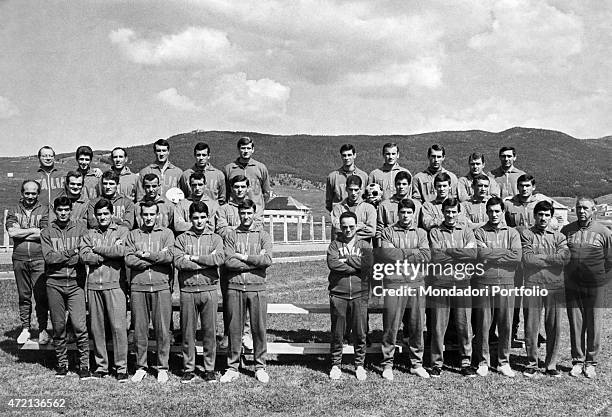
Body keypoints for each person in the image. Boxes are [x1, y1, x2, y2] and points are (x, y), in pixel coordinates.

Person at [219, 200, 273, 384]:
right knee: (235, 328)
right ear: (239, 214)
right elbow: (228, 262)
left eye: (249, 213)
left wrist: (243, 257)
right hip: (235, 287)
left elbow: (267, 260)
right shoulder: (231, 235)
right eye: (243, 213)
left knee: (258, 328)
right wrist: (253, 262)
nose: (246, 216)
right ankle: (232, 366)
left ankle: (260, 366)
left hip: (257, 287)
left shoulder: (263, 235)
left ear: (254, 213)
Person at [377, 199, 430, 380]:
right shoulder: (387, 232)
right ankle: (387, 364)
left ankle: (416, 363)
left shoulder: (421, 233)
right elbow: (387, 254)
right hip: (394, 283)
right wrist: (412, 252)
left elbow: (426, 256)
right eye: (403, 212)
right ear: (397, 213)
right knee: (391, 325)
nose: (406, 216)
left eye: (409, 212)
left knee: (416, 325)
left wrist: (401, 253)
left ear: (413, 214)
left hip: (416, 284)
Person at [173, 201, 224, 384]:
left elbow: (218, 258)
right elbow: (178, 261)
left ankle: (209, 368)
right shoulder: (181, 239)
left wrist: (194, 258)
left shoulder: (215, 238)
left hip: (209, 290)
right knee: (188, 332)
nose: (199, 221)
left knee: (210, 331)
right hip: (187, 290)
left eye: (203, 217)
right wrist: (205, 261)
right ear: (190, 218)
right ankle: (189, 367)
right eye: (195, 217)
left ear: (208, 218)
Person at [40, 196, 91, 379]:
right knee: (59, 326)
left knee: (79, 326)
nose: (63, 213)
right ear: (55, 210)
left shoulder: (81, 228)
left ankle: (84, 364)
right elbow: (49, 258)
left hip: (76, 284)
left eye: (66, 210)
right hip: (54, 283)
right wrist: (71, 252)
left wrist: (64, 255)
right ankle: (62, 363)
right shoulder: (47, 232)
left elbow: (83, 256)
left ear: (71, 210)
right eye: (60, 210)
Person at [562, 196, 612, 379]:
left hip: (595, 286)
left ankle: (590, 362)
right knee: (576, 324)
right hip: (573, 285)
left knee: (594, 323)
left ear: (593, 210)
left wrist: (600, 279)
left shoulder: (604, 232)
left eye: (585, 208)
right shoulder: (566, 230)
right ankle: (577, 360)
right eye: (578, 208)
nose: (581, 211)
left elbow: (610, 261)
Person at [125, 200, 175, 383]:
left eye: (151, 214)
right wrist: (156, 258)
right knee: (140, 329)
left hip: (161, 286)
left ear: (157, 215)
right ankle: (141, 366)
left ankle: (162, 367)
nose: (148, 218)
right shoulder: (133, 235)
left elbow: (169, 256)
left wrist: (145, 255)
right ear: (140, 215)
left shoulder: (167, 233)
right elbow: (129, 259)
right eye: (145, 214)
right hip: (139, 286)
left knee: (162, 329)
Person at [79, 198, 129, 381]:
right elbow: (84, 255)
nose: (103, 217)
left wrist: (97, 249)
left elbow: (121, 252)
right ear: (95, 216)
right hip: (93, 285)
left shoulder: (122, 231)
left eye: (106, 213)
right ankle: (101, 366)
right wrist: (104, 254)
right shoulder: (88, 233)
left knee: (118, 327)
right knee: (97, 327)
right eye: (99, 214)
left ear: (112, 213)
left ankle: (121, 366)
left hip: (115, 284)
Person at [520, 200, 570, 378]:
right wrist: (551, 259)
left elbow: (564, 258)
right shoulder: (527, 235)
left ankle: (551, 364)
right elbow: (527, 259)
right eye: (540, 214)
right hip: (532, 285)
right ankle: (531, 363)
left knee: (554, 326)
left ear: (551, 217)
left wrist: (541, 258)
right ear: (535, 216)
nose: (543, 218)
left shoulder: (559, 237)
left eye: (546, 215)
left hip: (555, 286)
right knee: (531, 326)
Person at [428, 198, 477, 378]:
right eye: (447, 211)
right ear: (443, 212)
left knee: (464, 325)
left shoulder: (466, 231)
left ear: (458, 212)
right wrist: (459, 253)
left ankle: (466, 362)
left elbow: (472, 254)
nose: (450, 215)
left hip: (463, 283)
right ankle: (436, 363)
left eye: (453, 211)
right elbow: (436, 256)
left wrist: (449, 252)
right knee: (438, 326)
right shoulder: (435, 232)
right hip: (441, 283)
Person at [473, 197, 522, 377]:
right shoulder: (479, 232)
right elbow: (480, 254)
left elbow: (516, 257)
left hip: (507, 283)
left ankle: (503, 361)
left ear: (502, 212)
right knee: (483, 324)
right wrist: (503, 253)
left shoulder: (512, 233)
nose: (494, 214)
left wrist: (491, 254)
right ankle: (483, 361)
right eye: (490, 211)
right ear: (486, 212)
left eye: (497, 211)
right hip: (484, 282)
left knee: (505, 324)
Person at [215, 175, 264, 350]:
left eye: (242, 186)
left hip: (249, 257)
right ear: (231, 188)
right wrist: (239, 230)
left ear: (247, 187)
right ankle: (230, 332)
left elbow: (257, 228)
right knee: (230, 297)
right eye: (236, 187)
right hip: (230, 259)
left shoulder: (253, 207)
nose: (239, 190)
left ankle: (245, 334)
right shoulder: (223, 209)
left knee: (249, 297)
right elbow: (221, 229)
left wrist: (235, 230)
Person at [327, 211, 372, 381]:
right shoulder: (334, 245)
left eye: (351, 227)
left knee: (360, 333)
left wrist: (346, 260)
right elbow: (333, 264)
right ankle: (335, 365)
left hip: (360, 294)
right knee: (337, 333)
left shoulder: (365, 245)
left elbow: (368, 264)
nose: (348, 230)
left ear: (357, 225)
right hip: (339, 293)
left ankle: (359, 365)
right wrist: (356, 266)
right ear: (340, 226)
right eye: (344, 227)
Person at [6, 180, 50, 345]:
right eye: (27, 193)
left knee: (41, 296)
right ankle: (25, 328)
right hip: (20, 258)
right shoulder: (14, 210)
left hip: (39, 258)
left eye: (33, 193)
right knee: (24, 296)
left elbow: (44, 234)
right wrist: (33, 230)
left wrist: (22, 232)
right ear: (22, 193)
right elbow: (12, 233)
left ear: (38, 194)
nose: (30, 196)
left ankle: (43, 329)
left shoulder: (45, 210)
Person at [223, 136, 271, 210]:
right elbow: (225, 192)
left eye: (248, 148)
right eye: (243, 148)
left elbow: (266, 192)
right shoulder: (229, 169)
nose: (246, 151)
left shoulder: (261, 168)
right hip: (234, 210)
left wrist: (259, 207)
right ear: (238, 149)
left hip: (255, 212)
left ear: (253, 150)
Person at [376, 171, 421, 247]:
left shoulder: (417, 205)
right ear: (395, 185)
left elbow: (420, 227)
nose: (401, 187)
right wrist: (380, 248)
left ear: (409, 185)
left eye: (404, 184)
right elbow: (380, 229)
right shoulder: (384, 205)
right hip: (391, 243)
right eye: (398, 184)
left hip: (412, 243)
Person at [330, 175, 376, 241]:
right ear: (346, 189)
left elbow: (371, 231)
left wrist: (347, 232)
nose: (353, 193)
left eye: (356, 190)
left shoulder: (369, 208)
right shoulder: (338, 208)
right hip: (343, 248)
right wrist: (361, 226)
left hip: (363, 248)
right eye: (350, 189)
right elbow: (337, 230)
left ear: (361, 189)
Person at [325, 144, 368, 212]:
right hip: (340, 216)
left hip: (359, 215)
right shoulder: (333, 177)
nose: (347, 158)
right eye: (344, 155)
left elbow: (366, 198)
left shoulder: (364, 176)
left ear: (354, 155)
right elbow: (329, 202)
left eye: (349, 155)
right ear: (341, 157)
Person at [35, 146, 65, 212]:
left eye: (51, 156)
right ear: (39, 158)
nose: (48, 158)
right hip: (40, 214)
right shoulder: (33, 177)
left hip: (58, 215)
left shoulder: (62, 175)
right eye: (44, 156)